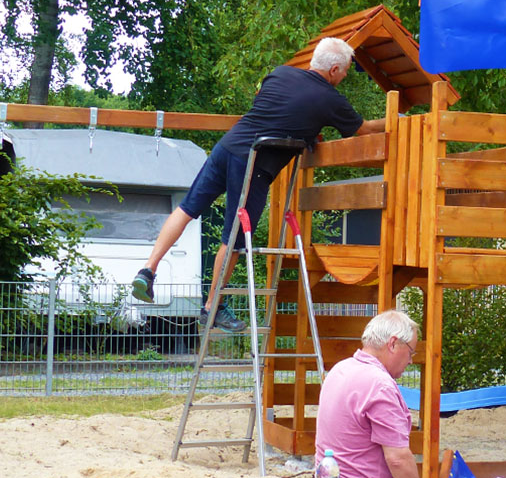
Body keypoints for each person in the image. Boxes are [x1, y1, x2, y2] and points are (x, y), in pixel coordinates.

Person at [131, 37, 382, 331]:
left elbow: (274, 104)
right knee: (233, 239)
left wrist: (305, 131)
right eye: (346, 71)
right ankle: (213, 307)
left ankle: (148, 270)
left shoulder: (281, 72)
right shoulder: (330, 99)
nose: (346, 76)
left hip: (227, 147)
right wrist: (394, 120)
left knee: (187, 208)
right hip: (253, 164)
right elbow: (363, 130)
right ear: (335, 69)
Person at [315, 309, 447, 478]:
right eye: (411, 352)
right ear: (393, 344)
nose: (411, 361)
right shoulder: (380, 385)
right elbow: (397, 459)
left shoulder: (340, 369)